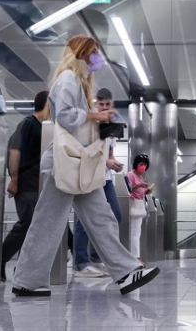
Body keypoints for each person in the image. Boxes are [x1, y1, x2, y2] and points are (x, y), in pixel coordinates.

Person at [11, 35, 159, 296]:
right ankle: (26, 280)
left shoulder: (78, 81)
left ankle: (126, 272)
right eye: (93, 51)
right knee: (48, 221)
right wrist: (96, 115)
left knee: (102, 218)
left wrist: (98, 120)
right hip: (65, 164)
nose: (97, 57)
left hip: (78, 164)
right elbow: (66, 117)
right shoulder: (68, 78)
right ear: (80, 52)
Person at [73, 87, 126, 278]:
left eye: (107, 104)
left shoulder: (111, 127)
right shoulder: (90, 124)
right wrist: (106, 162)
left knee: (115, 214)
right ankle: (80, 263)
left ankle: (96, 257)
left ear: (112, 104)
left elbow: (109, 153)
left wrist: (113, 163)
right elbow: (86, 152)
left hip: (105, 178)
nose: (104, 107)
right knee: (84, 219)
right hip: (90, 175)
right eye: (101, 104)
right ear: (96, 105)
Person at [0, 90, 49, 281]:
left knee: (33, 227)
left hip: (38, 184)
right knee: (27, 223)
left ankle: (22, 269)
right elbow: (15, 152)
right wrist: (14, 179)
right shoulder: (28, 123)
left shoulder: (44, 127)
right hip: (26, 184)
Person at [127, 154, 152, 264]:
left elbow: (139, 192)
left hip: (139, 205)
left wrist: (146, 192)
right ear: (136, 164)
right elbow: (128, 189)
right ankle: (135, 257)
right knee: (135, 233)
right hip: (133, 205)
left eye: (145, 165)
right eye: (141, 164)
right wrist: (139, 186)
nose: (143, 167)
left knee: (137, 232)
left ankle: (135, 256)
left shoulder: (141, 177)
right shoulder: (130, 175)